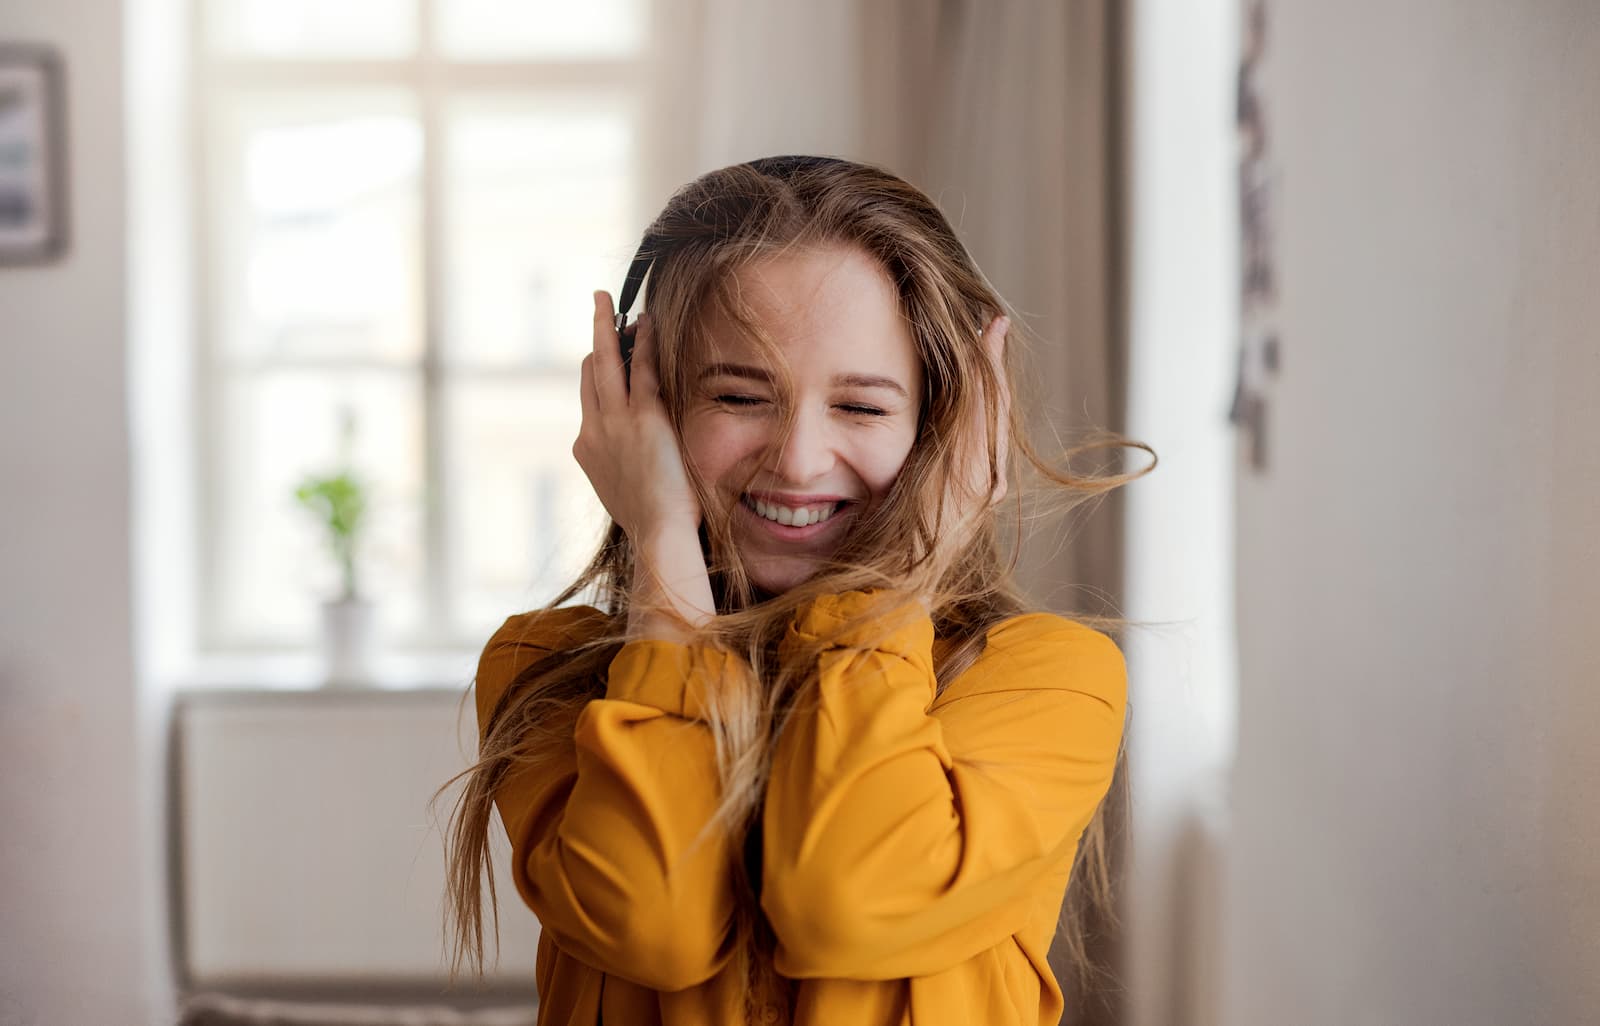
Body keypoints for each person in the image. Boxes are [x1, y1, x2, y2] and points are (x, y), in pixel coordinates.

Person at [441, 155, 1154, 1025]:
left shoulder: (1047, 676)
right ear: (641, 402)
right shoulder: (538, 667)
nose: (799, 460)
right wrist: (663, 539)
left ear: (947, 425)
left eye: (860, 408)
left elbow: (849, 901)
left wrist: (895, 574)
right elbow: (652, 924)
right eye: (741, 395)